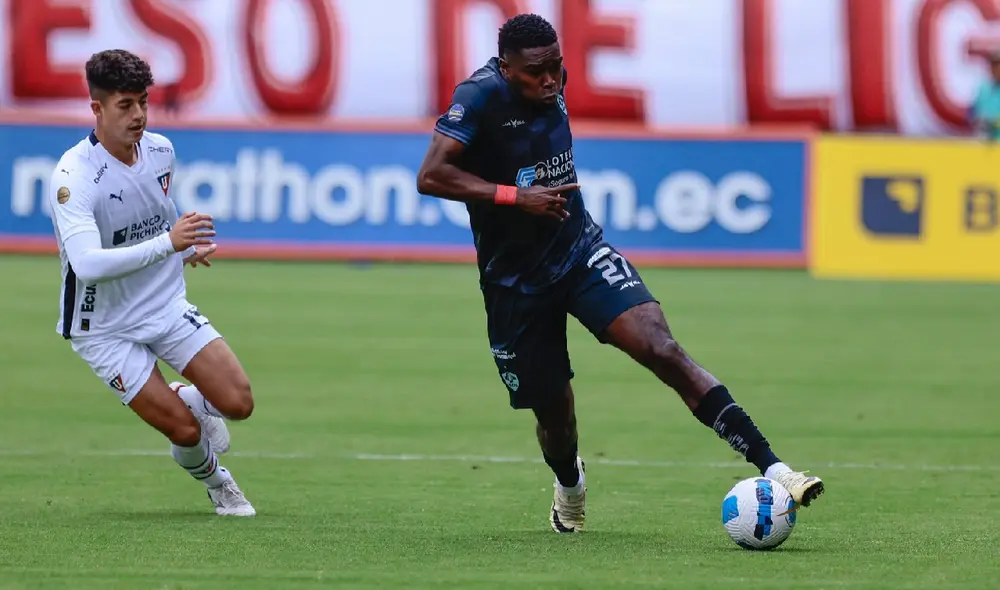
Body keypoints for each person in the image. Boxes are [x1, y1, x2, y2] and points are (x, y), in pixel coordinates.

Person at [416, 14, 824, 534]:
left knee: (662, 348)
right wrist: (514, 197)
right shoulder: (478, 98)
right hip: (514, 282)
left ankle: (777, 469)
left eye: (557, 69)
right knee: (555, 417)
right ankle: (570, 484)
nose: (550, 81)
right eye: (535, 72)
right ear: (505, 68)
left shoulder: (551, 85)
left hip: (579, 250)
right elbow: (430, 175)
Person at [48, 49, 255, 517]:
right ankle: (219, 483)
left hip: (161, 303)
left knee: (239, 403)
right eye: (125, 105)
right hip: (101, 326)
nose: (138, 115)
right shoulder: (74, 178)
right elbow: (87, 265)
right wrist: (168, 242)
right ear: (96, 108)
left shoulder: (161, 151)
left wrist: (185, 244)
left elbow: (159, 212)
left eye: (143, 101)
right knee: (186, 432)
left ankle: (185, 395)